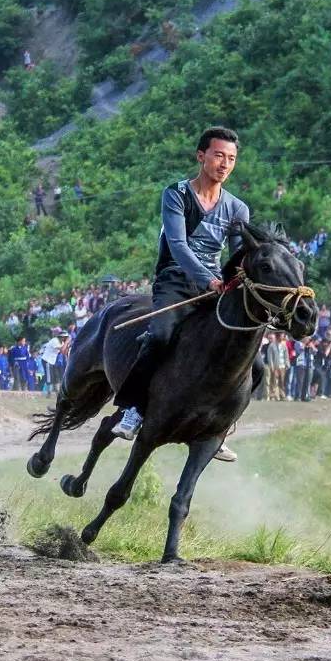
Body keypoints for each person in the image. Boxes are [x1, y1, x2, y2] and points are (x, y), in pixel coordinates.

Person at [112, 126, 249, 463]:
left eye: (231, 159)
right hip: (175, 280)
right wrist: (207, 279)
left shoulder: (237, 209)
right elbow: (177, 244)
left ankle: (219, 427)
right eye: (219, 156)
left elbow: (236, 257)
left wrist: (237, 279)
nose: (225, 164)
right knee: (160, 336)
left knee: (250, 358)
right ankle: (134, 409)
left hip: (214, 287)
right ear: (201, 156)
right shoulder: (176, 194)